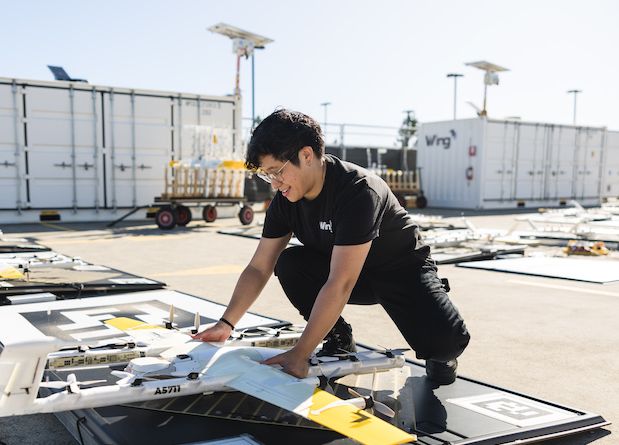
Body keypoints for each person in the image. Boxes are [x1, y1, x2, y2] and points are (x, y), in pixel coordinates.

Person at [193, 108, 469, 384]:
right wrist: (226, 324)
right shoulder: (285, 202)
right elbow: (258, 267)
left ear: (306, 155)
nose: (275, 184)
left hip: (400, 271)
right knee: (289, 263)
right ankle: (339, 336)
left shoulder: (359, 191)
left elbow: (340, 283)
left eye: (277, 172)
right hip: (348, 273)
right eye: (267, 176)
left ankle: (442, 350)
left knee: (445, 343)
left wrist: (301, 352)